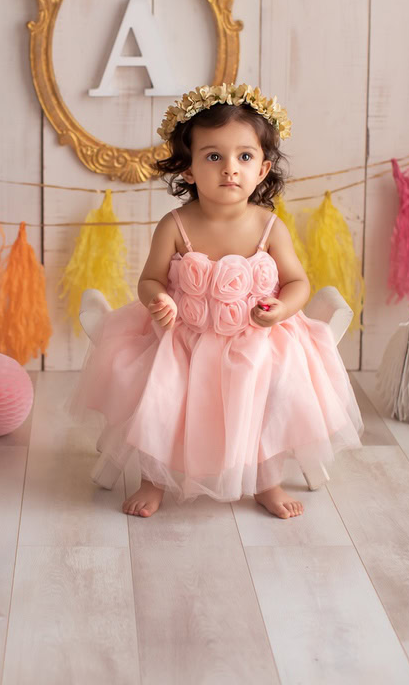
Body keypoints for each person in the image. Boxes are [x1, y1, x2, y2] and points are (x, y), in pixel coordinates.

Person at [67, 83, 364, 519]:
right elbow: (148, 279)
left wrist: (281, 309)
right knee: (162, 397)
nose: (230, 169)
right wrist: (158, 301)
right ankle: (154, 479)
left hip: (258, 340)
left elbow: (298, 282)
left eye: (244, 157)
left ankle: (267, 481)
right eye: (213, 156)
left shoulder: (269, 226)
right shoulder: (175, 224)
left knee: (274, 394)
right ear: (187, 169)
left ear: (262, 170)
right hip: (185, 337)